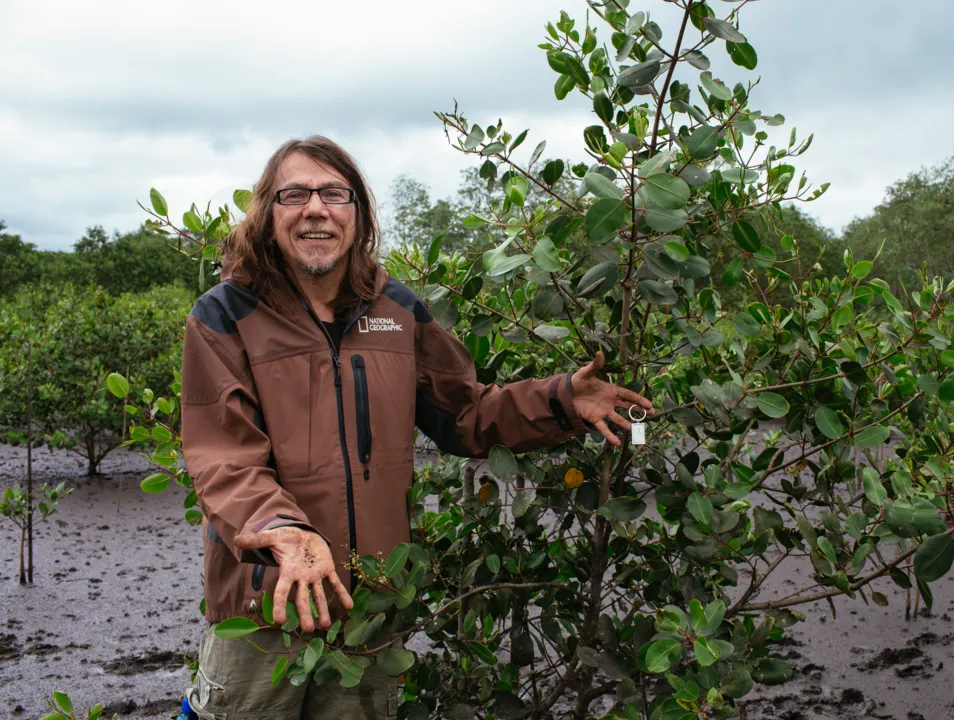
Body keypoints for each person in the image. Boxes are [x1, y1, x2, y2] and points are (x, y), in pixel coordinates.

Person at [180, 135, 653, 719]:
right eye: (294, 194)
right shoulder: (226, 314)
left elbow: (466, 415)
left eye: (335, 193)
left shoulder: (398, 311)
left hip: (369, 611)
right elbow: (223, 457)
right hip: (265, 609)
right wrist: (285, 532)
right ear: (268, 213)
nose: (315, 208)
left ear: (358, 213)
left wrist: (560, 398)